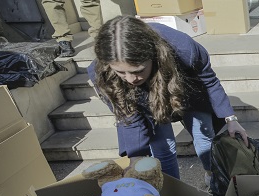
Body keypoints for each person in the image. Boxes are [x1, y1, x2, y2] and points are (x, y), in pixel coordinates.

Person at [87, 16, 247, 184]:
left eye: (138, 70)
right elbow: (128, 115)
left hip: (185, 89)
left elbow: (209, 81)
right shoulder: (101, 73)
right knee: (162, 148)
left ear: (153, 55)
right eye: (121, 72)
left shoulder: (183, 48)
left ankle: (213, 178)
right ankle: (174, 189)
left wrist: (231, 118)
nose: (130, 79)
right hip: (145, 101)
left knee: (204, 138)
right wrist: (136, 156)